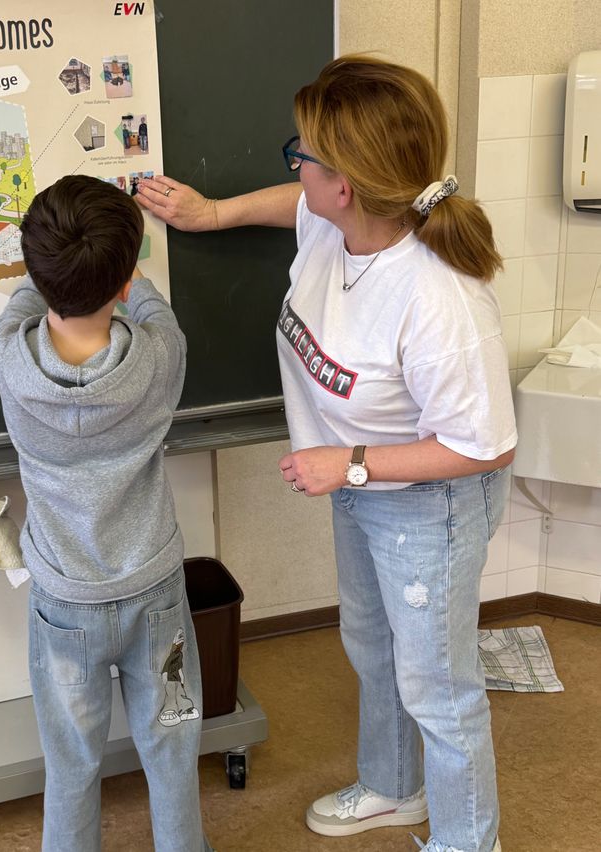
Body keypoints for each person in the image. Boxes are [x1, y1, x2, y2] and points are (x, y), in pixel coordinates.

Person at [138, 55, 516, 852]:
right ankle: (392, 787)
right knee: (374, 649)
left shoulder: (437, 299)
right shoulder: (337, 219)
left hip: (425, 503)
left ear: (345, 183)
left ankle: (466, 842)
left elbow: (480, 446)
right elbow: (293, 206)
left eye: (302, 152)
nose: (294, 162)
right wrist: (210, 214)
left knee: (439, 689)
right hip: (362, 486)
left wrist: (348, 465)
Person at [0, 175, 213, 852]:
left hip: (64, 604)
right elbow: (160, 316)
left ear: (36, 272)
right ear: (123, 283)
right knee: (173, 750)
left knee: (72, 760)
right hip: (155, 597)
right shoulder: (158, 358)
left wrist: (64, 262)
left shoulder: (8, 357)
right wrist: (127, 267)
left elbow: (24, 301)